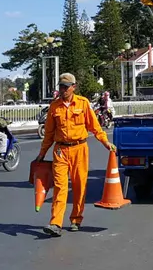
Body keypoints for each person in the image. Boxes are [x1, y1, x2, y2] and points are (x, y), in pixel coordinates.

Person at [35, 73, 116, 237]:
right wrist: (41, 154)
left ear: (74, 87)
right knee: (60, 187)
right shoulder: (54, 107)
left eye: (66, 87)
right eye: (61, 87)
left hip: (80, 149)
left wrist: (106, 143)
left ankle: (76, 219)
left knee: (79, 186)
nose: (63, 90)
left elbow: (95, 128)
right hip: (60, 151)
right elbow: (49, 133)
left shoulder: (83, 103)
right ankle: (55, 223)